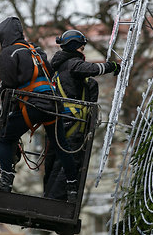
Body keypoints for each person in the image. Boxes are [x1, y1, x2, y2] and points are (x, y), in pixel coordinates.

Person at [0, 17, 78, 202]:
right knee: (61, 146)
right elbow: (49, 73)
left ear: (4, 37)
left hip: (34, 106)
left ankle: (6, 181)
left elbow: (9, 84)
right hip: (52, 104)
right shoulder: (36, 51)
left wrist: (5, 103)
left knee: (5, 138)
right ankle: (72, 189)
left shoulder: (9, 53)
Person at [43, 29, 121, 200]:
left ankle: (48, 199)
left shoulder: (58, 67)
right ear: (74, 46)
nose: (83, 51)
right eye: (82, 48)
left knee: (56, 164)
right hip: (72, 123)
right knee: (70, 162)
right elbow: (92, 69)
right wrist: (112, 66)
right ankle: (55, 202)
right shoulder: (72, 64)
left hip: (59, 123)